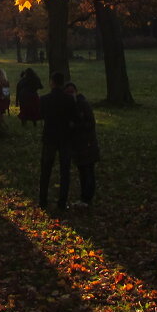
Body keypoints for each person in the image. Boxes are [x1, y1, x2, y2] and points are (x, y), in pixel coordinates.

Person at [38, 71, 77, 211]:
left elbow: (41, 115)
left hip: (49, 136)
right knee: (65, 171)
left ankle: (42, 199)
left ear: (52, 82)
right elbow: (74, 117)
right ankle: (62, 201)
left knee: (46, 169)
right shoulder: (69, 100)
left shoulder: (44, 99)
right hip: (65, 137)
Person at [66, 81, 100, 208]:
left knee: (88, 171)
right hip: (79, 146)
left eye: (71, 92)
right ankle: (85, 197)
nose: (70, 95)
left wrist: (75, 126)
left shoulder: (83, 105)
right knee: (83, 171)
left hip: (87, 144)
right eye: (68, 93)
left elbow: (90, 124)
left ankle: (87, 197)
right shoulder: (72, 106)